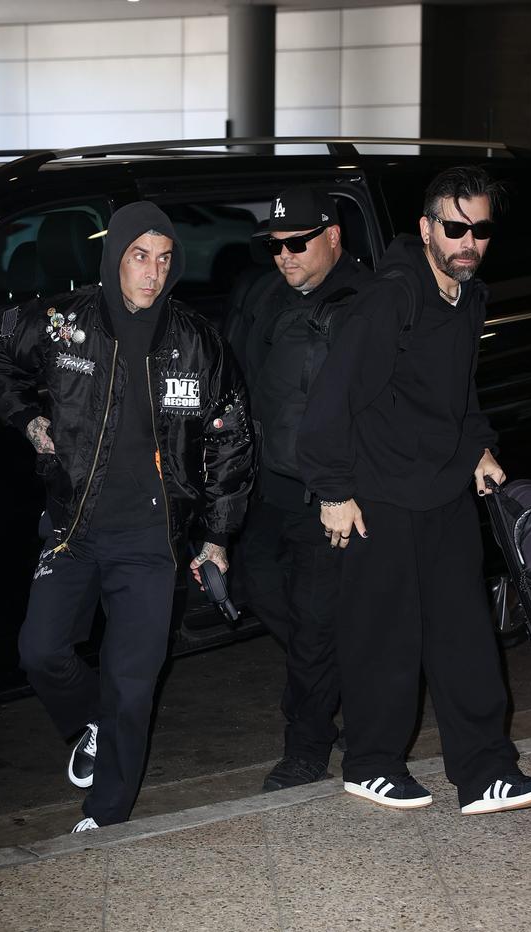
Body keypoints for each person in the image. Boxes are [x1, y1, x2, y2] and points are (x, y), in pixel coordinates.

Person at [0, 201, 253, 833]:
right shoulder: (63, 323)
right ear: (114, 259)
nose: (153, 274)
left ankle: (106, 815)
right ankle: (90, 723)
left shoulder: (195, 340)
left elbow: (233, 438)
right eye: (139, 257)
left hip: (150, 542)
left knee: (134, 683)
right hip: (73, 527)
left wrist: (215, 537)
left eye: (164, 260)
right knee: (39, 652)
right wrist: (25, 417)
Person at [297, 165, 531, 815]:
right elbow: (331, 399)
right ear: (427, 228)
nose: (468, 242)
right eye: (455, 227)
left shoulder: (469, 296)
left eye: (480, 230)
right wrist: (333, 489)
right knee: (385, 639)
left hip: (442, 488)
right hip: (378, 494)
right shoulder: (391, 298)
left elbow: (457, 391)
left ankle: (486, 770)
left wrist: (477, 444)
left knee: (464, 634)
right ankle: (371, 764)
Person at [230, 185, 372, 792]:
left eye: (297, 243)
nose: (284, 256)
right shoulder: (266, 294)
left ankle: (308, 747)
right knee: (252, 583)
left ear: (333, 237)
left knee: (314, 625)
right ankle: (335, 675)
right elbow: (236, 373)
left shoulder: (370, 301)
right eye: (275, 246)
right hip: (270, 486)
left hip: (331, 496)